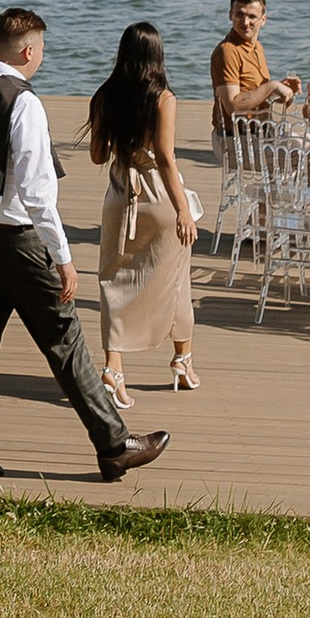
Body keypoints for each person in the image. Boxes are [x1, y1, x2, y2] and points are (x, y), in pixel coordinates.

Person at [0, 5, 169, 485]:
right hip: (18, 237)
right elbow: (38, 195)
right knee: (65, 339)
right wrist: (64, 258)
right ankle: (115, 445)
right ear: (29, 50)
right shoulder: (23, 102)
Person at [86, 21, 198, 406]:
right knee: (176, 277)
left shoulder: (104, 96)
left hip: (121, 195)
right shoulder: (163, 98)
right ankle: (182, 359)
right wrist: (183, 210)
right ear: (157, 55)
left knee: (114, 281)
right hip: (159, 197)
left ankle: (114, 369)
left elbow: (98, 155)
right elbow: (166, 158)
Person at [210, 0, 301, 134]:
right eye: (239, 15)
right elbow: (233, 107)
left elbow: (253, 94)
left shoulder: (257, 47)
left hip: (261, 131)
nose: (245, 22)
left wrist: (281, 90)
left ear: (263, 20)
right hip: (236, 139)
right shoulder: (227, 51)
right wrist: (272, 86)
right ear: (230, 15)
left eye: (252, 16)